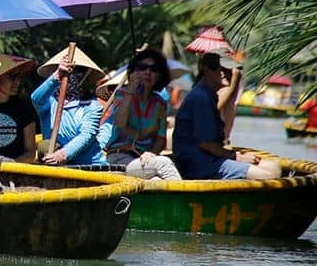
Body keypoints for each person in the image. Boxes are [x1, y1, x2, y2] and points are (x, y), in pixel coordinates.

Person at [173, 51, 281, 180]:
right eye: (220, 68)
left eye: (229, 69)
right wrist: (237, 157)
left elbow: (220, 136)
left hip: (209, 158)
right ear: (206, 69)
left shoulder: (209, 95)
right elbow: (206, 144)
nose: (225, 73)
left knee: (275, 167)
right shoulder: (200, 97)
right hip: (199, 164)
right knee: (269, 175)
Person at [103, 49, 181, 180]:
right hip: (119, 158)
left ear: (160, 75)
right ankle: (186, 199)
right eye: (142, 67)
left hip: (143, 160)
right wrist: (131, 90)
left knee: (158, 181)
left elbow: (161, 139)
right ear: (134, 71)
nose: (148, 72)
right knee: (163, 164)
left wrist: (151, 153)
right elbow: (120, 123)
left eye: (153, 69)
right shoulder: (121, 94)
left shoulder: (160, 103)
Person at [31, 47, 107, 166]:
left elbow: (86, 135)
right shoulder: (49, 101)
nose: (71, 75)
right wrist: (57, 75)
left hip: (88, 165)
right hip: (52, 162)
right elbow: (35, 98)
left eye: (77, 71)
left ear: (85, 76)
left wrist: (61, 155)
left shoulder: (92, 106)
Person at [0, 54, 38, 163]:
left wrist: (11, 165)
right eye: (12, 77)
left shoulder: (24, 109)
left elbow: (30, 153)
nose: (17, 82)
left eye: (19, 77)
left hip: (14, 172)